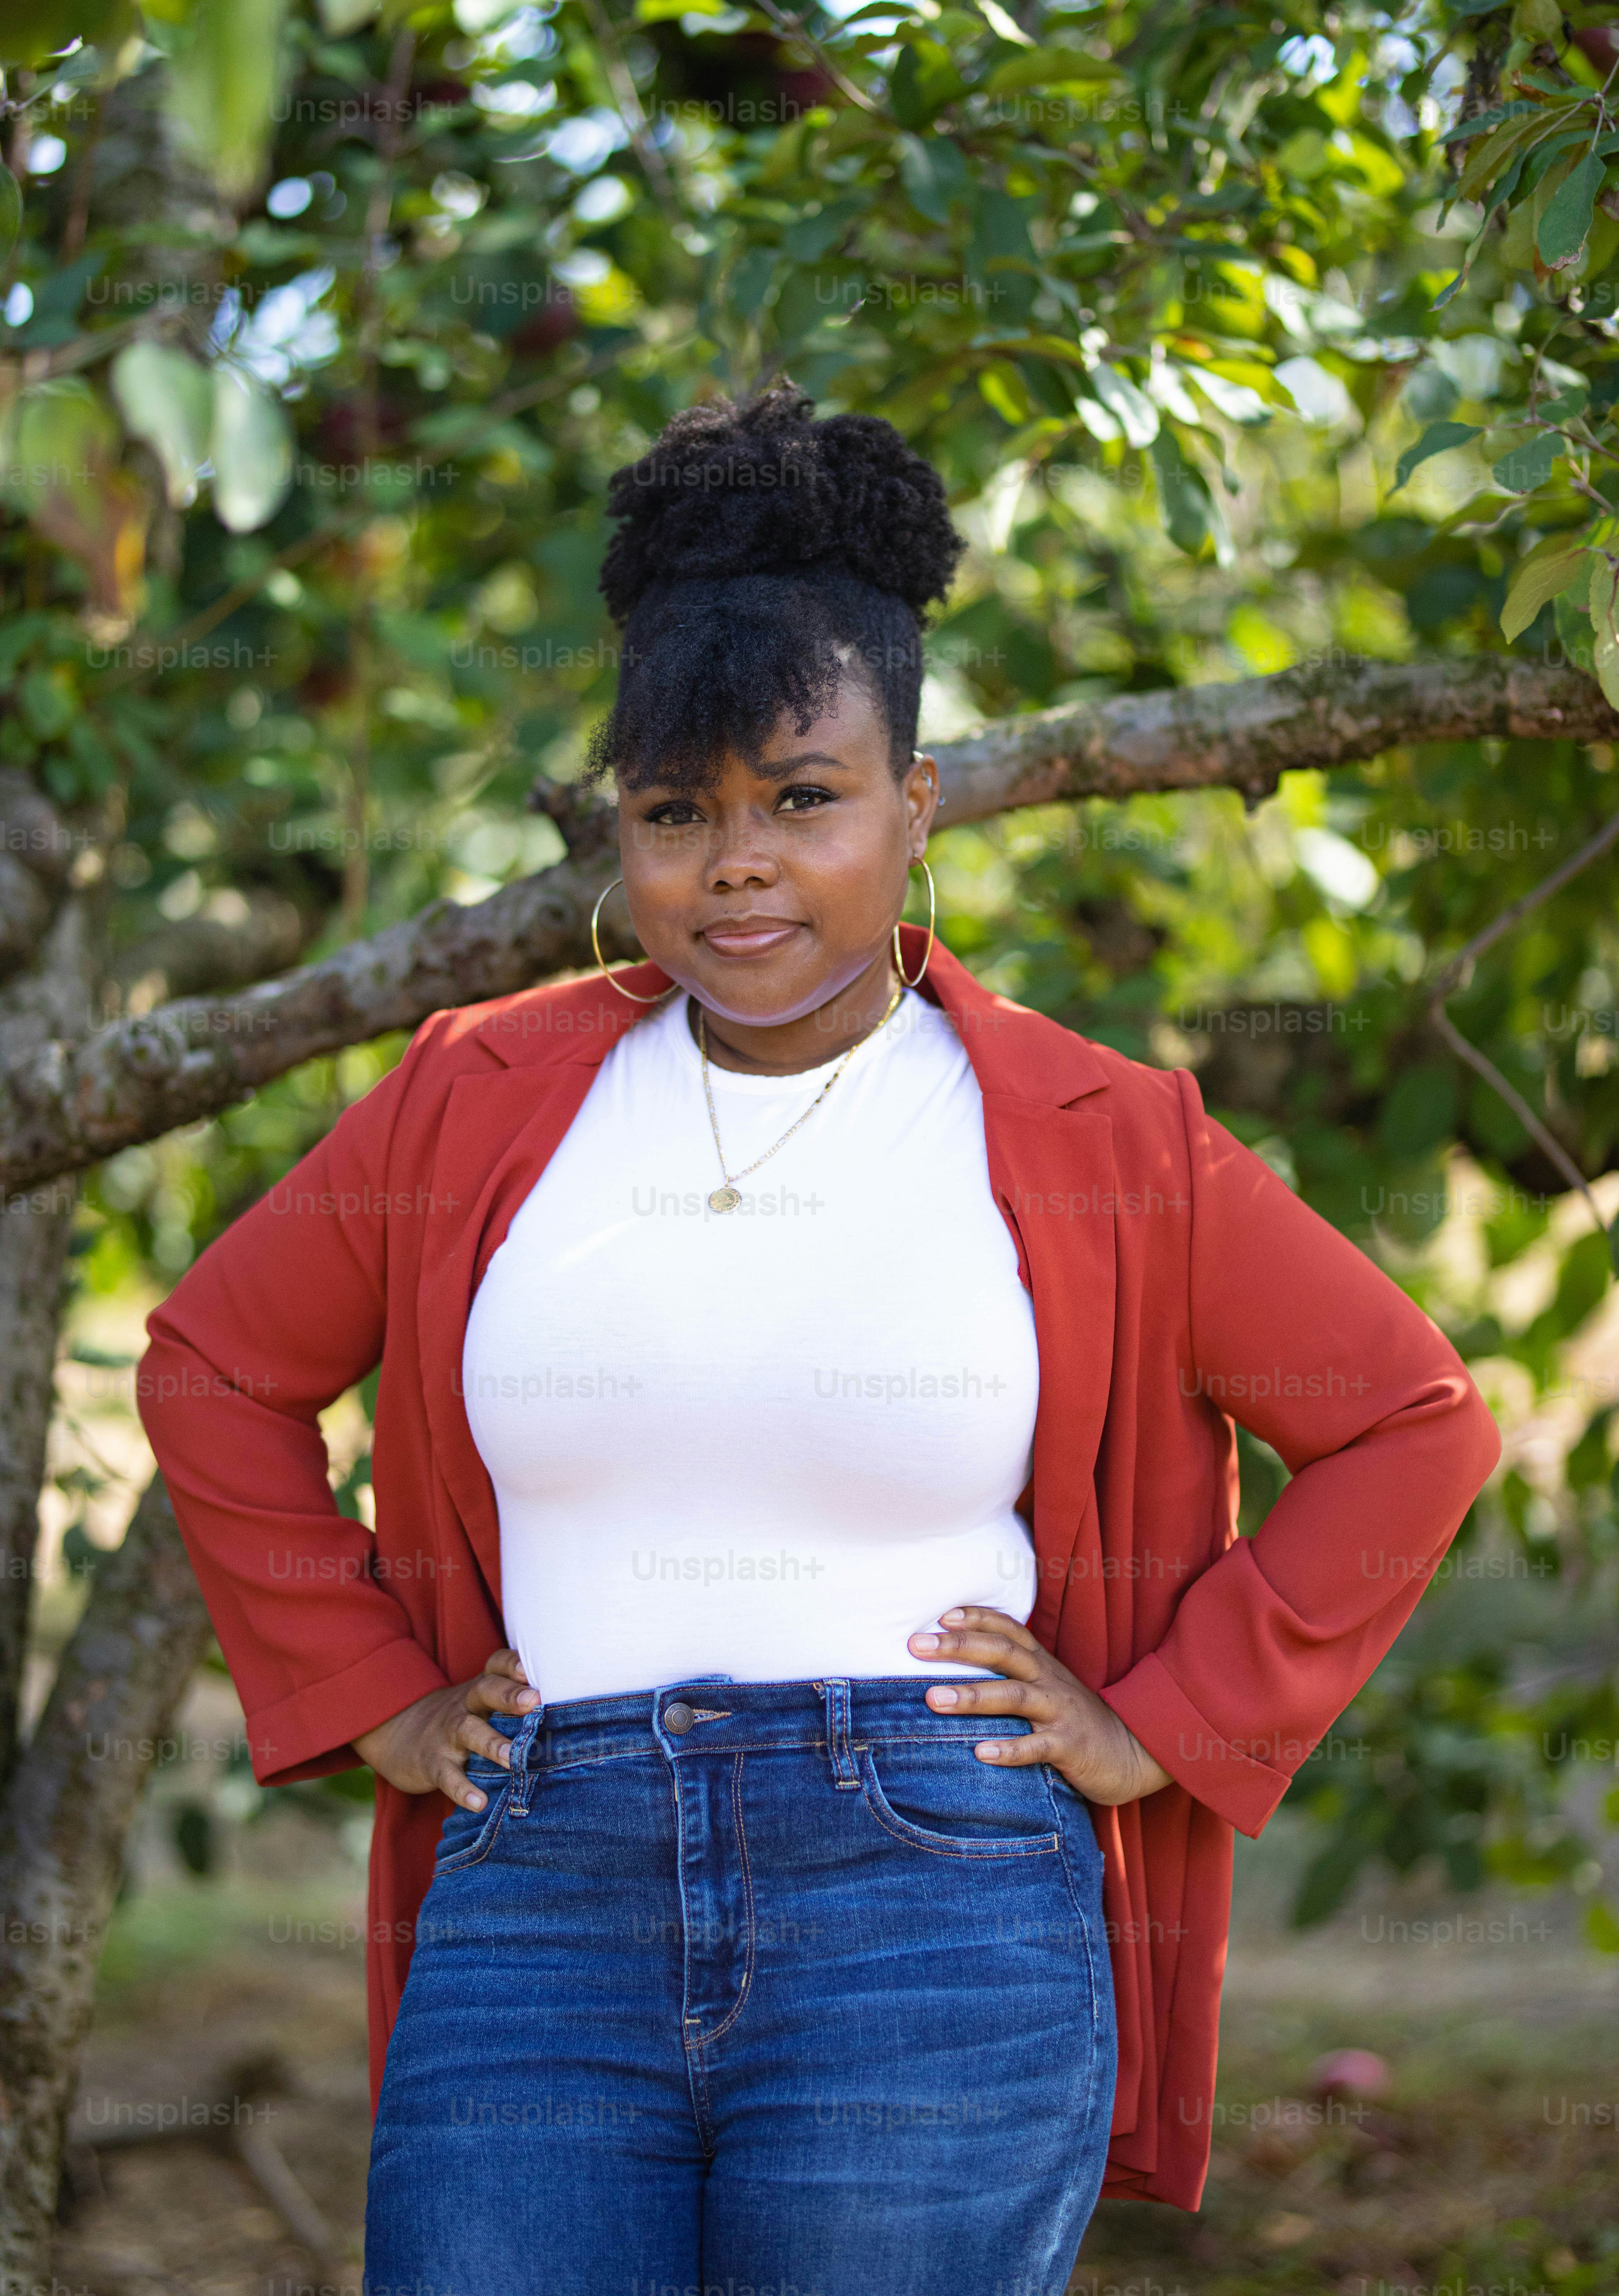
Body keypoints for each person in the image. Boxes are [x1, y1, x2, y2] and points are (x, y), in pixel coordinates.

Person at [139, 380, 1501, 2296]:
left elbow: (1410, 1424)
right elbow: (210, 1365)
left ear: (915, 805)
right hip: (537, 1883)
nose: (738, 864)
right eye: (675, 814)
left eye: (803, 799)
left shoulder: (1099, 1137)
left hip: (931, 1901)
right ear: (620, 827)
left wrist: (1164, 1727)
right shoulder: (476, 1098)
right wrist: (374, 1689)